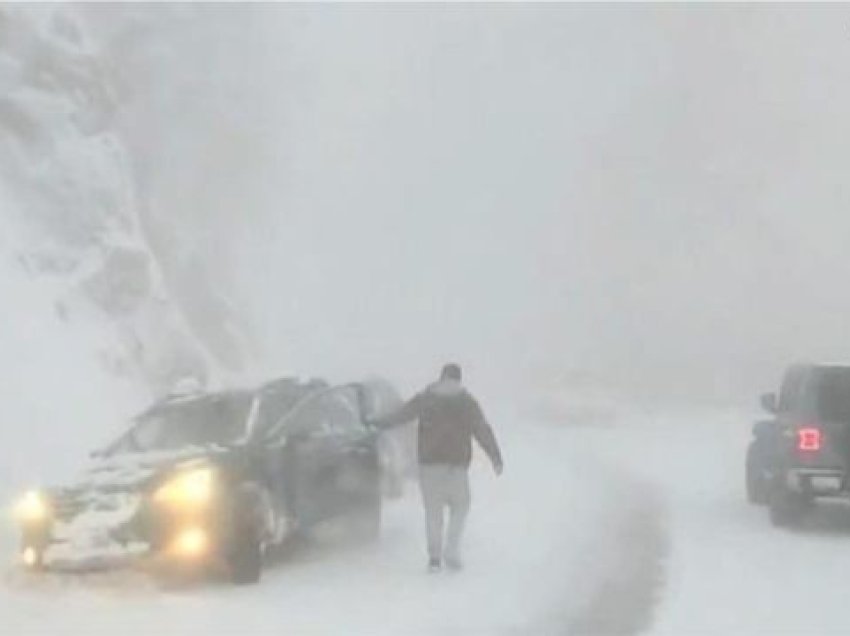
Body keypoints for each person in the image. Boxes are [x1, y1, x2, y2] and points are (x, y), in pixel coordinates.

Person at [370, 363, 503, 572]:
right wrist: (495, 455)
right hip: (456, 466)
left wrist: (377, 424)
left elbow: (402, 415)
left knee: (433, 513)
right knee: (461, 506)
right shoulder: (467, 402)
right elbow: (481, 429)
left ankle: (434, 558)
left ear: (441, 378)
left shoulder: (426, 398)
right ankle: (451, 549)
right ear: (458, 379)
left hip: (429, 466)